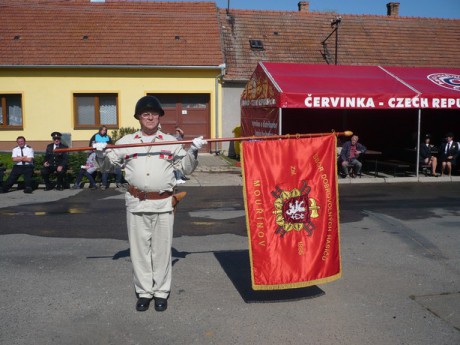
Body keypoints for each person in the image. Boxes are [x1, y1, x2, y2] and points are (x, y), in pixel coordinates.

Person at [93, 95, 207, 312]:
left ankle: (161, 292)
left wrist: (192, 150)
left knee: (162, 250)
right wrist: (100, 155)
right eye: (146, 114)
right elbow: (107, 167)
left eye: (154, 114)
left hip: (163, 203)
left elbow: (186, 169)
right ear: (138, 117)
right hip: (136, 203)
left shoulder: (171, 142)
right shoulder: (126, 143)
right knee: (139, 251)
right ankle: (145, 292)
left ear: (159, 117)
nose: (150, 117)